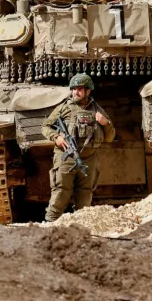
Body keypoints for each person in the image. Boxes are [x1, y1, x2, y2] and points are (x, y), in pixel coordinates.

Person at [41, 74, 115, 222]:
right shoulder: (64, 108)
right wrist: (57, 138)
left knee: (84, 199)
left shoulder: (97, 110)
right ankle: (49, 227)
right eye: (73, 89)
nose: (75, 92)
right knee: (60, 195)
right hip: (66, 157)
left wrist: (105, 123)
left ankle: (81, 231)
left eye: (79, 89)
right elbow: (45, 127)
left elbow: (110, 137)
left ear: (88, 91)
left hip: (88, 160)